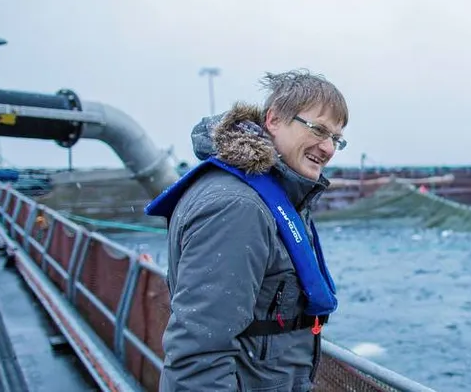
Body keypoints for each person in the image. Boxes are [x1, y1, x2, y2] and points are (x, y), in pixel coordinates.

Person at [144, 69, 349, 391]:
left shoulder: (253, 193)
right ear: (274, 120)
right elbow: (198, 352)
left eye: (336, 138)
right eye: (318, 130)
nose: (328, 148)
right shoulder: (239, 207)